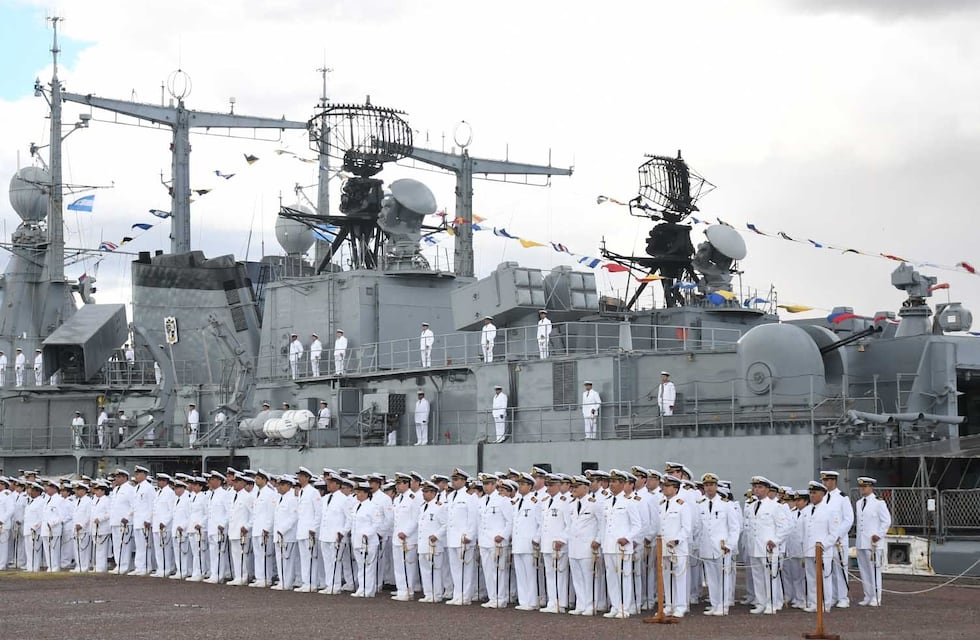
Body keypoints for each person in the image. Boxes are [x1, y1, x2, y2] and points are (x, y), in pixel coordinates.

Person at [698, 473, 739, 615]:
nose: (709, 488)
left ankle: (723, 605)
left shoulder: (726, 504)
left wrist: (730, 545)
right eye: (706, 485)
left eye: (711, 485)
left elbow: (735, 527)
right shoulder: (700, 504)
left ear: (716, 486)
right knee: (711, 578)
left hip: (722, 547)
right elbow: (697, 527)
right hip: (706, 546)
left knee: (723, 577)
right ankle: (715, 604)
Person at [820, 470, 854, 608]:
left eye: (828, 480)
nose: (826, 483)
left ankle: (843, 597)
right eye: (824, 481)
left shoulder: (842, 498)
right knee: (828, 570)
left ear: (834, 481)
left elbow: (848, 519)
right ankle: (832, 596)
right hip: (826, 541)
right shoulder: (822, 498)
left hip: (839, 541)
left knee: (840, 569)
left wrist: (838, 534)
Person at [855, 477, 891, 607]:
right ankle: (868, 595)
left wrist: (879, 535)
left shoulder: (878, 503)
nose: (862, 489)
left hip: (874, 543)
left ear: (871, 487)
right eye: (861, 487)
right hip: (861, 541)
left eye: (865, 486)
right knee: (864, 570)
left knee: (874, 571)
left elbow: (886, 521)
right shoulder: (859, 503)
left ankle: (876, 597)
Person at [803, 481, 838, 613]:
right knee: (811, 578)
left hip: (823, 551)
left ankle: (825, 603)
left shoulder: (829, 510)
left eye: (814, 493)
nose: (812, 495)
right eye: (810, 493)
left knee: (824, 578)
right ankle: (813, 602)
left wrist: (824, 545)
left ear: (822, 494)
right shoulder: (807, 510)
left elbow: (834, 533)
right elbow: (803, 532)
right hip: (809, 550)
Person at [349, 482, 383, 597]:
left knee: (368, 566)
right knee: (360, 566)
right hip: (357, 541)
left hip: (369, 542)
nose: (357, 494)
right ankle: (361, 588)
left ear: (365, 493)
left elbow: (376, 523)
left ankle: (368, 590)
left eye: (359, 492)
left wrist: (367, 534)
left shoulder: (373, 507)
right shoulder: (356, 506)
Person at [417, 481, 447, 602]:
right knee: (425, 569)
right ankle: (428, 593)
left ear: (433, 493)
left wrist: (437, 535)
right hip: (423, 544)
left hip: (434, 544)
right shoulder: (422, 507)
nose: (424, 494)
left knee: (435, 569)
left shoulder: (439, 507)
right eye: (423, 491)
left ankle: (437, 594)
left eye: (426, 491)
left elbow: (445, 524)